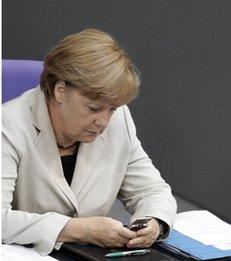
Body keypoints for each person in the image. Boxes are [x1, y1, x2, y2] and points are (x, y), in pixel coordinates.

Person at [2, 28, 177, 255]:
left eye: (112, 109)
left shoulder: (119, 120)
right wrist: (77, 229)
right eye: (94, 108)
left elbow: (151, 190)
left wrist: (153, 222)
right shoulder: (7, 125)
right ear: (60, 90)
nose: (103, 121)